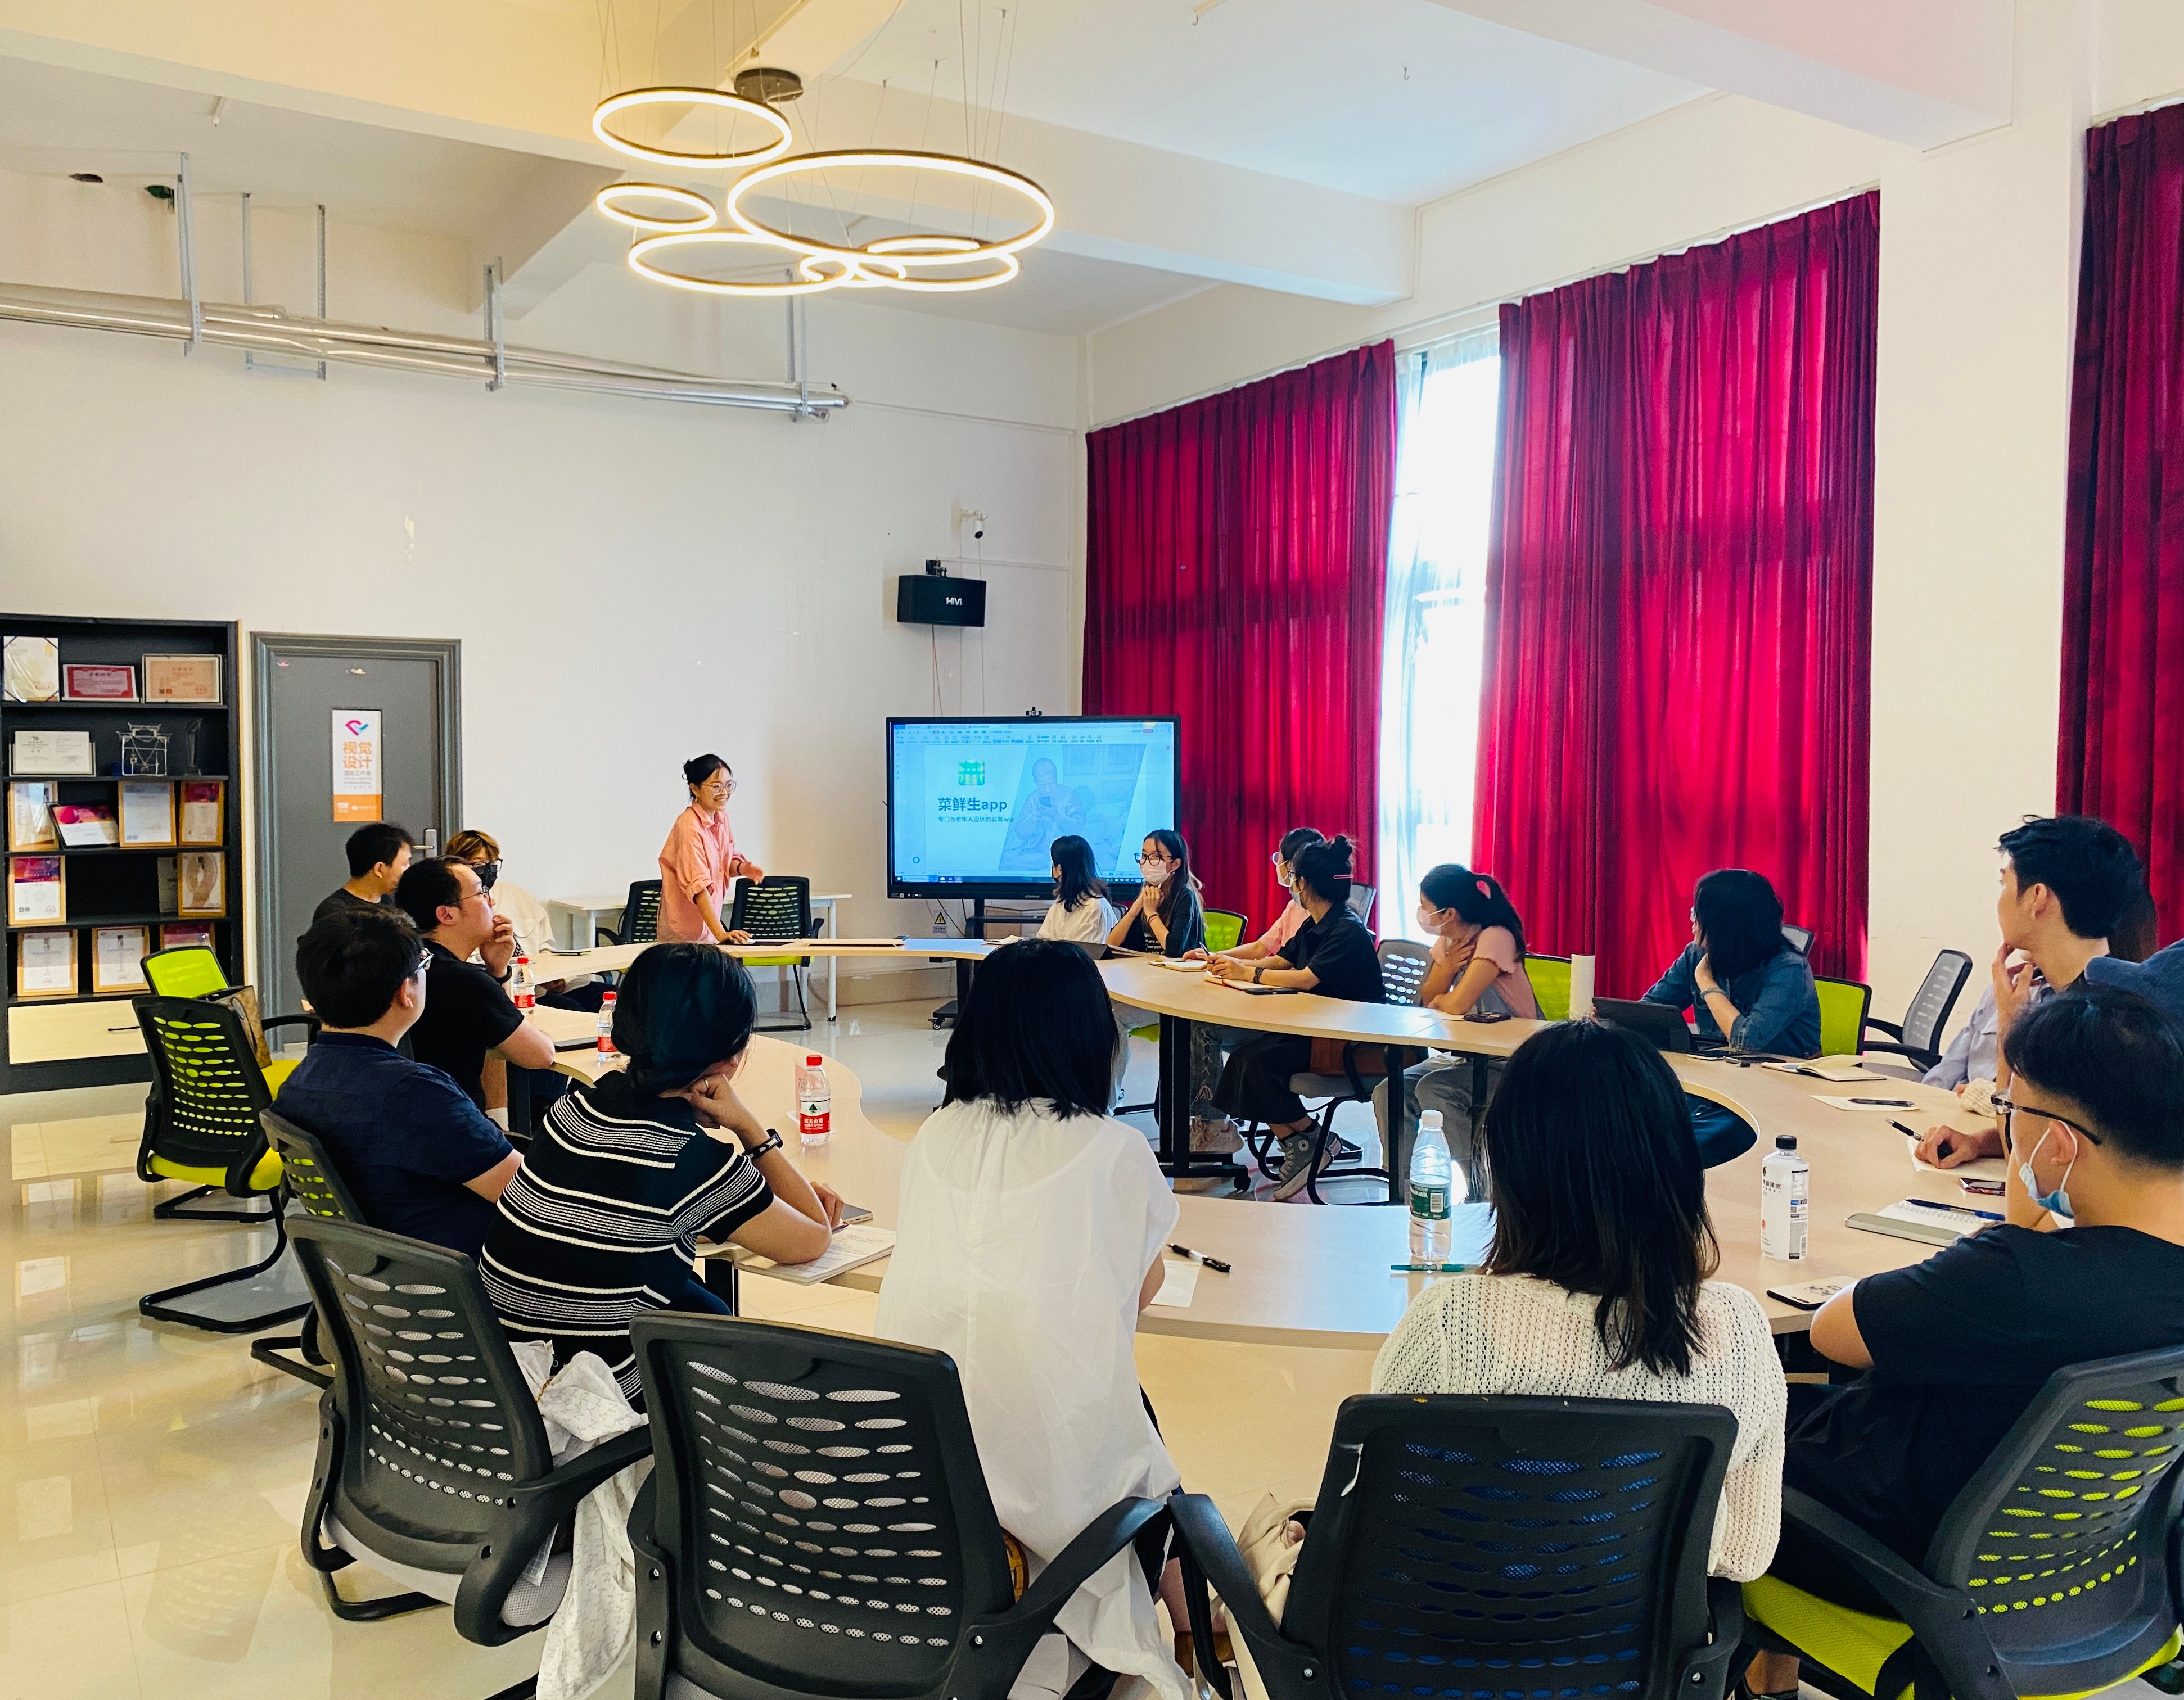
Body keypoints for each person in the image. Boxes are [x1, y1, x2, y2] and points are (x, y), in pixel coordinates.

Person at [1744, 986, 2184, 1699]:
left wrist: (2016, 1212)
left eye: (2012, 1113)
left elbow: (1829, 1332)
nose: (2005, 1129)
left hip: (1894, 1571)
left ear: (2060, 1144)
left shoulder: (2016, 1279)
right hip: (2086, 1578)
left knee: (1732, 1432)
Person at [877, 938, 1189, 1700]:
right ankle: (1197, 1623)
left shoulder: (932, 1137)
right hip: (1052, 1493)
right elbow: (1138, 1292)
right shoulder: (1113, 1150)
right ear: (1090, 1038)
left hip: (915, 1469)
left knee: (1122, 1414)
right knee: (1134, 1428)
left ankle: (1187, 1611)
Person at [1373, 1020, 1785, 1580]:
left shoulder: (1451, 1321)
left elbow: (1385, 1519)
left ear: (1511, 1167)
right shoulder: (1738, 1327)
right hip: (1638, 1636)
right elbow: (1744, 1554)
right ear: (1678, 1164)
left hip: (1450, 1627)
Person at [482, 944, 840, 1405]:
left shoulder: (572, 1109)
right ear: (732, 1057)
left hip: (503, 1372)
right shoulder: (693, 1162)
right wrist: (749, 1128)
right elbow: (813, 1239)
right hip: (589, 1400)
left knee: (704, 1304)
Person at [276, 907, 519, 1257]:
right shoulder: (416, 1093)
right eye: (424, 966)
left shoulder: (298, 1083)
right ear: (406, 991)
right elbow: (529, 1197)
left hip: (380, 1272)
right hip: (471, 1271)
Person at [1915, 815, 2143, 1169]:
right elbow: (2048, 1136)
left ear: (2037, 897)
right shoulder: (2088, 993)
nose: (1999, 900)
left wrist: (2011, 1025)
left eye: (2005, 884)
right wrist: (1979, 1142)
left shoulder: (2093, 1021)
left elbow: (2029, 1166)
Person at [1210, 835, 1387, 1200]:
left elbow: (1307, 978)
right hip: (1318, 1029)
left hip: (1349, 1042)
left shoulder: (1347, 929)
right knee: (1245, 1057)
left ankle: (1306, 1140)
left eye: (1293, 877)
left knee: (1258, 1063)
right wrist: (1229, 963)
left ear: (1303, 883)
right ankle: (1306, 1139)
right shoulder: (1316, 923)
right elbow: (1282, 960)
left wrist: (1249, 974)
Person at [1371, 865, 1540, 1193]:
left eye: (1425, 905)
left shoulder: (1496, 937)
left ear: (1448, 912)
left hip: (1512, 1061)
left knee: (1436, 1089)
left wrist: (1444, 999)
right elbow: (1430, 997)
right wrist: (1447, 968)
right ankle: (1401, 1190)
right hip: (1467, 1055)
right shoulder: (1449, 940)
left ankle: (1479, 1191)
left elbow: (1456, 1004)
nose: (1421, 913)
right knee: (1388, 1091)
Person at [1643, 869, 1819, 1168]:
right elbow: (1650, 1010)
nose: (1692, 921)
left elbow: (1747, 1041)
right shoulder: (1695, 954)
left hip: (1776, 1090)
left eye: (1698, 914)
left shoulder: (1789, 969)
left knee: (1683, 1150)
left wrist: (1706, 981)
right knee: (1638, 1133)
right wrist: (1615, 1019)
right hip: (1716, 1080)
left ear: (1725, 925)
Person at [393, 856, 555, 1116]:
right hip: (456, 1123)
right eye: (482, 893)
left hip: (410, 1117)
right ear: (447, 914)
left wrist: (498, 971)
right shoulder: (464, 981)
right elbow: (540, 1055)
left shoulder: (405, 963)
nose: (492, 902)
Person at [444, 827, 602, 1011]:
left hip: (542, 986)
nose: (488, 871)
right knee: (571, 1008)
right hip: (508, 993)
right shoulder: (457, 910)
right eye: (479, 865)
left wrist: (555, 978)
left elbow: (547, 949)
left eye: (493, 864)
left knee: (613, 997)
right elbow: (468, 967)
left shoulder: (519, 896)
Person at [657, 754, 760, 946]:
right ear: (695, 789)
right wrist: (722, 934)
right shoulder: (688, 825)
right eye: (716, 787)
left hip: (709, 930)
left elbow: (723, 864)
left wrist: (742, 868)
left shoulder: (721, 817)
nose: (724, 793)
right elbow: (698, 887)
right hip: (684, 936)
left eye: (729, 785)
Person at [1190, 828, 1324, 969]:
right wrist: (1216, 956)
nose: (1277, 864)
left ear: (1293, 866)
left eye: (1279, 857)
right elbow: (1262, 948)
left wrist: (1240, 968)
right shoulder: (1294, 907)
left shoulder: (1323, 915)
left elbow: (1299, 972)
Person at [1105, 829, 1206, 957]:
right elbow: (1112, 943)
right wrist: (1136, 908)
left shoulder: (1185, 897)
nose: (1147, 862)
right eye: (1144, 856)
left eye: (1156, 857)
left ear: (1175, 864)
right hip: (1147, 967)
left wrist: (1151, 913)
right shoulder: (1148, 895)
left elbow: (1174, 950)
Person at [312, 821, 413, 925]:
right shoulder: (335, 913)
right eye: (405, 864)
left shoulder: (387, 901)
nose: (409, 869)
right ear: (379, 869)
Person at [1032, 834, 1117, 946]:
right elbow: (1043, 940)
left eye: (1054, 863)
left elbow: (1081, 951)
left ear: (1060, 869)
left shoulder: (1094, 906)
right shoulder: (1063, 900)